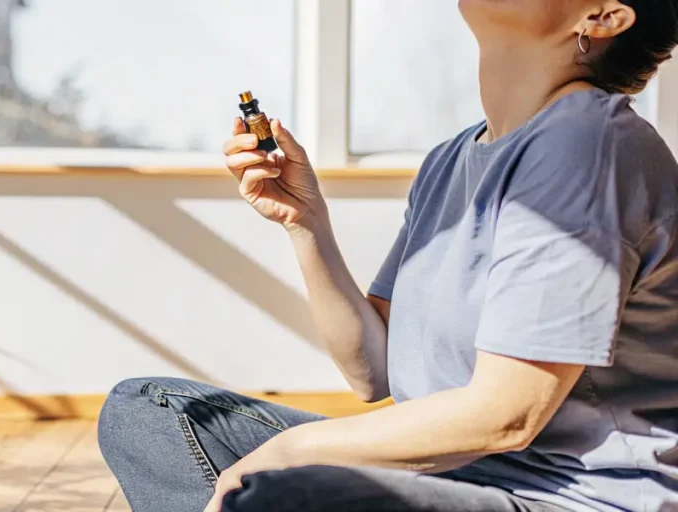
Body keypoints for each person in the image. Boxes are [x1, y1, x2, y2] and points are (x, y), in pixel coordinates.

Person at [98, 1, 678, 511]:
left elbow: (508, 415)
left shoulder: (588, 147)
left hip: (567, 495)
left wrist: (285, 452)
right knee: (148, 414)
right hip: (449, 471)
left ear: (602, 16)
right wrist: (306, 223)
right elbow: (372, 371)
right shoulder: (452, 159)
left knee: (282, 494)